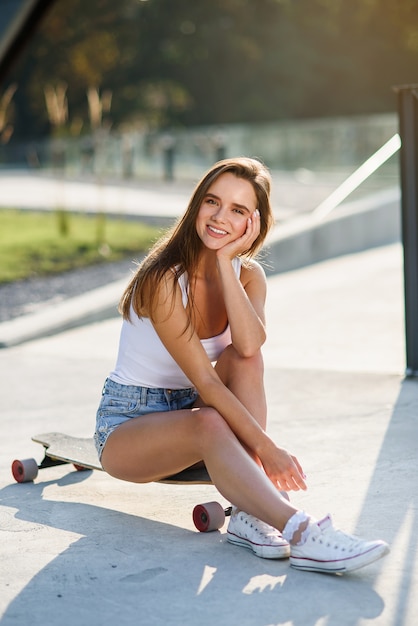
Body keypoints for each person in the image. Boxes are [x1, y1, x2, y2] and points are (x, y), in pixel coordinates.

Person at [94, 157, 389, 573]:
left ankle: (250, 515)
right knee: (208, 422)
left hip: (190, 411)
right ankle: (300, 531)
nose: (220, 217)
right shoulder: (163, 279)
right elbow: (209, 388)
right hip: (128, 424)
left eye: (237, 210)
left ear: (254, 222)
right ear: (197, 205)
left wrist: (224, 264)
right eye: (212, 202)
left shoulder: (248, 276)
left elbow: (250, 346)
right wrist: (268, 451)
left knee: (244, 358)